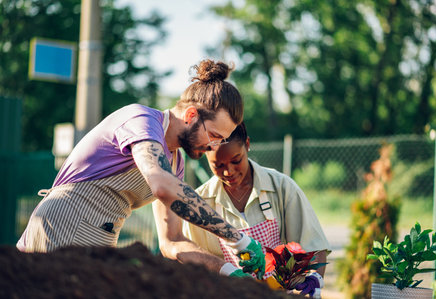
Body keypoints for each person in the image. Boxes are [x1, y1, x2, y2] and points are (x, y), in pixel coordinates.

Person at [17, 60, 265, 277]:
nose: (212, 147)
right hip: (65, 225)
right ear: (191, 115)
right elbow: (162, 185)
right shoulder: (142, 121)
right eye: (213, 135)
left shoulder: (175, 164)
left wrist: (226, 270)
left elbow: (172, 241)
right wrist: (237, 237)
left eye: (219, 140)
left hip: (101, 240)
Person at [155, 122, 330, 296]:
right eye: (218, 165)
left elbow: (313, 244)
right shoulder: (199, 204)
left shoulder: (281, 187)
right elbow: (190, 265)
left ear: (247, 145)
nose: (228, 172)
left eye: (236, 160)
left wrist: (314, 279)